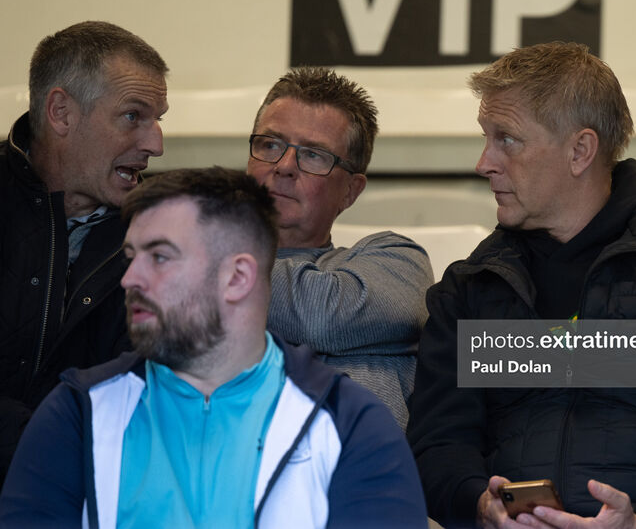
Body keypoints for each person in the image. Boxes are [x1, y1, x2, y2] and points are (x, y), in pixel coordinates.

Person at [406, 42, 636, 528]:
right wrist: (482, 506)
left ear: (580, 150)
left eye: (507, 140)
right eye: (486, 137)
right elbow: (438, 448)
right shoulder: (471, 287)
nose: (485, 162)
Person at [0, 167, 428, 529]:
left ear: (238, 277)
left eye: (160, 257)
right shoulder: (78, 416)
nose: (129, 279)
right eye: (131, 256)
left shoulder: (350, 426)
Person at [0, 21, 168, 483]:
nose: (156, 144)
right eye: (134, 116)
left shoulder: (159, 230)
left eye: (159, 120)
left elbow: (146, 401)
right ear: (61, 113)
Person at [247, 67, 434, 428]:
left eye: (314, 155)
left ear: (351, 191)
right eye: (270, 145)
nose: (285, 166)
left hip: (353, 477)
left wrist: (207, 270)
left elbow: (320, 317)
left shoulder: (395, 260)